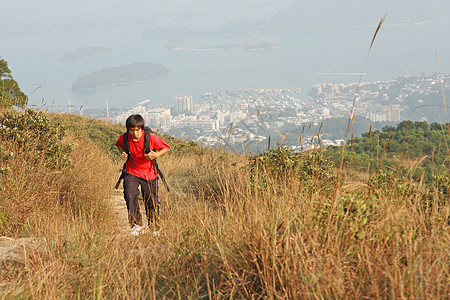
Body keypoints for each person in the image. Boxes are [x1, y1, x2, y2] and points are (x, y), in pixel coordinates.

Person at [115, 114, 170, 236]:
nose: (135, 133)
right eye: (132, 130)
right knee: (130, 195)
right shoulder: (124, 138)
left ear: (142, 129)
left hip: (149, 172)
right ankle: (136, 225)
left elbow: (166, 147)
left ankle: (154, 227)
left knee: (151, 201)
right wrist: (123, 152)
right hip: (131, 171)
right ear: (128, 130)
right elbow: (118, 144)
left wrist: (155, 155)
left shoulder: (151, 138)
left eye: (137, 130)